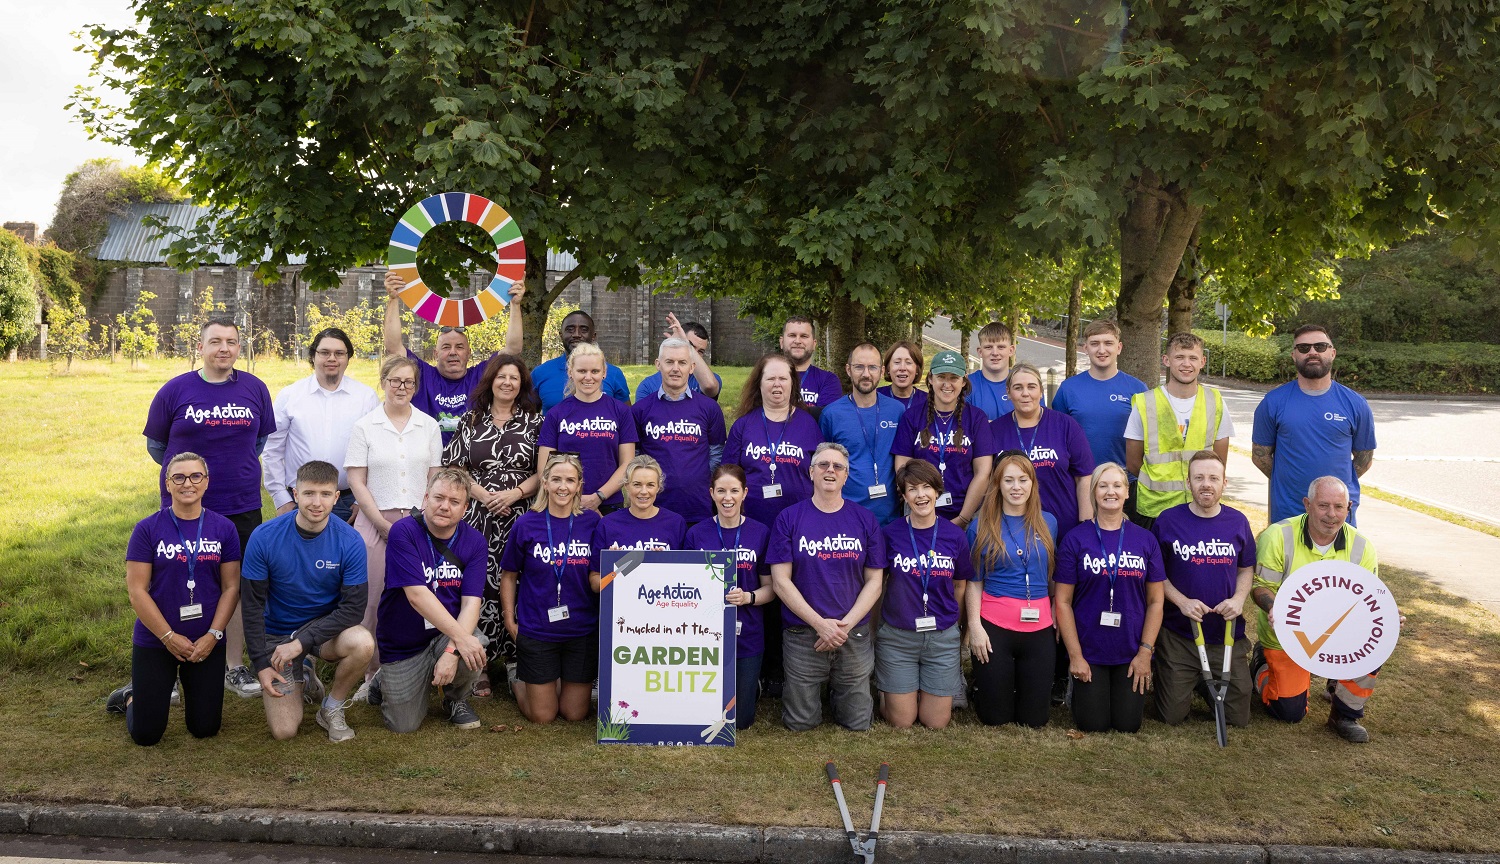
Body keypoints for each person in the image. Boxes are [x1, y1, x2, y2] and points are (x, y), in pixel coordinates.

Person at [143, 318, 275, 700]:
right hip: (184, 508)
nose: (224, 348)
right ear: (200, 347)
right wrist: (188, 484)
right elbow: (158, 448)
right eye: (215, 341)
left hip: (240, 506)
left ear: (238, 348)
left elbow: (260, 440)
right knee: (173, 580)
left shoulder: (254, 388)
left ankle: (232, 666)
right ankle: (167, 667)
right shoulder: (176, 390)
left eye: (231, 342)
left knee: (235, 586)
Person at [107, 453, 242, 746]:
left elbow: (231, 587)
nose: (187, 483)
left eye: (196, 476)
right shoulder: (148, 529)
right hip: (157, 639)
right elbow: (137, 591)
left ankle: (167, 690)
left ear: (206, 483)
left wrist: (214, 635)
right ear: (167, 484)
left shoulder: (224, 528)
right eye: (178, 477)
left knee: (204, 728)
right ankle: (132, 695)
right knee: (146, 735)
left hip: (206, 640)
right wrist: (168, 636)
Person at [241, 460, 375, 742]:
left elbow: (353, 609)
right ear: (295, 493)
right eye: (309, 493)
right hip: (277, 635)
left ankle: (332, 707)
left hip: (324, 631)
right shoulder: (264, 537)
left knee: (362, 642)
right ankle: (302, 671)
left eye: (325, 494)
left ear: (336, 497)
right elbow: (252, 606)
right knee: (285, 731)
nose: (317, 502)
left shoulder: (349, 540)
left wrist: (301, 642)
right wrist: (261, 665)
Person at [1249, 476, 1389, 743]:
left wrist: (1388, 617)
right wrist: (1273, 606)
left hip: (1337, 635)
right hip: (1288, 639)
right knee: (1289, 712)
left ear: (1349, 508)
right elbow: (1261, 587)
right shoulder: (1277, 536)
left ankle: (1344, 713)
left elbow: (1369, 602)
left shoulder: (1362, 547)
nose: (1331, 515)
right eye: (1323, 505)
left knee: (1377, 641)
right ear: (1307, 504)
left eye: (1339, 507)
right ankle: (1260, 665)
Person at [767, 443, 888, 731]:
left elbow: (875, 581)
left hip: (852, 632)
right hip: (803, 632)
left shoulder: (865, 519)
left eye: (838, 467)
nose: (830, 470)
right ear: (811, 472)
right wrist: (821, 625)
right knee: (800, 723)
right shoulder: (788, 518)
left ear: (847, 476)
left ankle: (840, 694)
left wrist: (843, 626)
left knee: (858, 722)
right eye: (823, 465)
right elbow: (780, 581)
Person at [442, 352, 543, 696]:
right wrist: (485, 496)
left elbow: (543, 473)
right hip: (478, 514)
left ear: (522, 384)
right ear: (491, 381)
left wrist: (514, 494)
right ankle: (479, 662)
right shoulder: (470, 420)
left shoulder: (535, 422)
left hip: (520, 514)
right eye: (501, 376)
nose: (507, 382)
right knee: (479, 584)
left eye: (514, 378)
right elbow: (456, 467)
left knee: (520, 582)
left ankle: (517, 658)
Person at [724, 352, 824, 697]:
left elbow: (819, 473)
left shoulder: (809, 423)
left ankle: (787, 671)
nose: (777, 384)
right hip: (752, 526)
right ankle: (759, 671)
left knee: (792, 594)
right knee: (759, 595)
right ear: (759, 383)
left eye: (784, 378)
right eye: (771, 378)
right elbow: (730, 474)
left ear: (793, 384)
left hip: (796, 526)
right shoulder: (744, 425)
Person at [346, 354, 443, 685]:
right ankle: (370, 674)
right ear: (383, 382)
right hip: (375, 524)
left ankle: (416, 672)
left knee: (420, 598)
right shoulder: (364, 426)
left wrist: (421, 522)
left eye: (408, 382)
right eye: (395, 381)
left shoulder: (429, 426)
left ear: (415, 387)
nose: (401, 387)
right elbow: (357, 481)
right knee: (371, 601)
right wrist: (381, 523)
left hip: (419, 524)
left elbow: (435, 479)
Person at [370, 467, 490, 733]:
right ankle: (383, 681)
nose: (445, 506)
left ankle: (456, 698)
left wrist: (453, 649)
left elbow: (472, 603)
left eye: (454, 501)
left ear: (465, 508)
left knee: (476, 642)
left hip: (443, 636)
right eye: (439, 498)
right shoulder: (404, 532)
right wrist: (460, 640)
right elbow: (416, 596)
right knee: (404, 725)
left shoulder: (475, 542)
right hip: (403, 641)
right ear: (426, 498)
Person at [1055, 462, 1166, 734]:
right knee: (1093, 724)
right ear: (1093, 492)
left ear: (1127, 492)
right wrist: (1075, 656)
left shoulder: (1145, 540)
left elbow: (1156, 602)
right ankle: (1076, 688)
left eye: (1117, 485)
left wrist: (1144, 652)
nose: (1110, 492)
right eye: (1103, 486)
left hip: (1130, 650)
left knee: (1128, 725)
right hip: (1090, 649)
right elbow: (1063, 602)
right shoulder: (1075, 539)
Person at [1149, 450, 1255, 728]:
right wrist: (1182, 602)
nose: (1206, 484)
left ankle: (1207, 681)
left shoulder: (1238, 522)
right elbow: (1155, 574)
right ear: (1188, 483)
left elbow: (1246, 567)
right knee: (1171, 716)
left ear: (1224, 483)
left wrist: (1239, 598)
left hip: (1225, 634)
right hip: (1180, 635)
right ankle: (1187, 678)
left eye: (1212, 478)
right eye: (1199, 478)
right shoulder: (1168, 520)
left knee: (1238, 719)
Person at [500, 453, 602, 724]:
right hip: (537, 629)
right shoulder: (526, 523)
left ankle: (550, 681)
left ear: (580, 485)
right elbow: (509, 575)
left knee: (574, 713)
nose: (563, 486)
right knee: (543, 715)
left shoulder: (592, 523)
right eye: (556, 479)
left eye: (570, 480)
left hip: (581, 630)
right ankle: (516, 680)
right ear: (544, 482)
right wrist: (509, 619)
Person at [876, 460, 974, 729]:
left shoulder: (955, 536)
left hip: (941, 637)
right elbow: (878, 584)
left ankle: (917, 688)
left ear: (937, 491)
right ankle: (892, 690)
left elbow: (960, 586)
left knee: (936, 722)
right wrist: (875, 629)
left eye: (926, 487)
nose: (920, 495)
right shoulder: (889, 534)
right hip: (898, 636)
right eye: (912, 489)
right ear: (904, 496)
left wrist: (956, 625)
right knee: (902, 721)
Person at [965, 453, 1059, 728]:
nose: (1016, 487)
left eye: (1022, 479)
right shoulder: (980, 525)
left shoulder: (1049, 522)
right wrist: (975, 626)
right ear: (998, 484)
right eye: (1009, 480)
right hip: (995, 626)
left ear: (1032, 484)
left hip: (1039, 625)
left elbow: (1052, 573)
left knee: (1035, 720)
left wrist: (1056, 611)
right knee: (995, 718)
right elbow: (974, 580)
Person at [1251, 324, 1377, 525]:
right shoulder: (1273, 402)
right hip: (1288, 514)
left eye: (1320, 346)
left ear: (1332, 352)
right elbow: (1260, 456)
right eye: (1303, 348)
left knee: (1337, 559)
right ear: (1294, 355)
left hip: (1337, 518)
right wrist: (1289, 482)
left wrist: (1330, 491)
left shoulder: (1355, 404)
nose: (1312, 352)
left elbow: (1365, 458)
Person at [382, 272, 524, 442]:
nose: (453, 352)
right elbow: (393, 347)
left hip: (469, 463)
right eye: (446, 347)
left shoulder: (481, 374)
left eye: (459, 347)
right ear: (435, 354)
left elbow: (513, 349)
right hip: (430, 461)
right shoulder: (422, 374)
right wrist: (393, 300)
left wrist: (515, 305)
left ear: (469, 353)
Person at [684, 465, 773, 729]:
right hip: (705, 634)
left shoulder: (760, 532)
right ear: (711, 493)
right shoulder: (696, 534)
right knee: (705, 715)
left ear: (744, 493)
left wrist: (748, 597)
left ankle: (750, 684)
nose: (728, 498)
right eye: (721, 491)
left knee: (740, 721)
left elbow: (771, 587)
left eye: (734, 490)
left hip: (747, 632)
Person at [262, 327, 379, 524]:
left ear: (348, 358)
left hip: (348, 501)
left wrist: (363, 500)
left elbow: (376, 453)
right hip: (299, 500)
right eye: (324, 352)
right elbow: (272, 449)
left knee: (346, 555)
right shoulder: (290, 396)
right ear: (313, 356)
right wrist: (280, 498)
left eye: (339, 353)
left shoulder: (366, 398)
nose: (331, 358)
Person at [1125, 333, 1232, 527]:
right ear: (1166, 360)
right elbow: (1133, 462)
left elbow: (1220, 460)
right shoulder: (1145, 402)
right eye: (1179, 357)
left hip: (1200, 506)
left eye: (1193, 358)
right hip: (1154, 509)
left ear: (1202, 361)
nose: (1186, 364)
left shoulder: (1215, 401)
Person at [991, 363, 1097, 542]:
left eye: (1031, 387)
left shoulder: (1066, 425)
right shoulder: (994, 430)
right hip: (1011, 534)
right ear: (1008, 393)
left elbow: (1084, 477)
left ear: (1041, 391)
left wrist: (1084, 526)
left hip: (1064, 530)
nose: (1025, 393)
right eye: (1018, 388)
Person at [892, 350, 995, 527]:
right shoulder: (912, 416)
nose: (947, 384)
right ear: (931, 379)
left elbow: (983, 473)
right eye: (941, 377)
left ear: (963, 381)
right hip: (919, 512)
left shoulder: (977, 418)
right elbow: (903, 468)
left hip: (966, 514)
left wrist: (963, 518)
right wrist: (921, 511)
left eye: (953, 378)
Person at [632, 337, 727, 527]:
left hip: (697, 507)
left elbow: (716, 455)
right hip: (652, 507)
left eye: (682, 362)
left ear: (692, 367)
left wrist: (695, 479)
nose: (676, 368)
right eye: (669, 362)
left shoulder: (709, 408)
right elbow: (634, 456)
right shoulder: (640, 410)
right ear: (658, 365)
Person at [537, 342, 638, 513]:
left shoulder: (620, 411)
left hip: (608, 503)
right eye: (582, 371)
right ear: (571, 372)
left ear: (604, 373)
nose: (588, 377)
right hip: (565, 504)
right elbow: (544, 468)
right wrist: (571, 498)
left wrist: (598, 497)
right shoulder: (556, 414)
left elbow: (627, 463)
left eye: (595, 371)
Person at [1050, 320, 1148, 481]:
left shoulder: (1138, 389)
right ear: (1086, 348)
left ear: (1119, 347)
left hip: (1125, 482)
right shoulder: (1068, 389)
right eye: (1095, 343)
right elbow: (1058, 438)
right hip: (1081, 481)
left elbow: (1147, 440)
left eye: (1108, 343)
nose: (1102, 350)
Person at [819, 343, 905, 525]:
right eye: (859, 367)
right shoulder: (832, 414)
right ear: (848, 370)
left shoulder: (897, 411)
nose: (866, 374)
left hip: (890, 518)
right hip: (847, 518)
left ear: (882, 371)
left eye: (872, 367)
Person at [588, 455, 688, 588]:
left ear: (658, 487)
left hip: (661, 604)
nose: (644, 491)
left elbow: (687, 575)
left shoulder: (676, 523)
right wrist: (614, 570)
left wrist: (664, 564)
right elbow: (595, 584)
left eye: (650, 485)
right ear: (626, 486)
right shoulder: (608, 524)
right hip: (622, 606)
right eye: (637, 484)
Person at [531, 309, 632, 412]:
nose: (576, 334)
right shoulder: (540, 373)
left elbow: (627, 418)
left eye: (584, 330)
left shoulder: (614, 374)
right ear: (561, 335)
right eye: (570, 329)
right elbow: (529, 419)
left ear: (593, 336)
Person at [634, 316, 723, 400]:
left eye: (700, 351)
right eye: (691, 345)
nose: (694, 354)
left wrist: (686, 344)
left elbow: (710, 386)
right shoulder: (648, 386)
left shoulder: (710, 379)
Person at [779, 316, 843, 409]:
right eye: (792, 335)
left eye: (804, 336)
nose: (797, 341)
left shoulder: (828, 380)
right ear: (781, 342)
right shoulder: (766, 377)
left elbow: (825, 418)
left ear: (814, 344)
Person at [967, 322, 1022, 420]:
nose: (995, 353)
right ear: (980, 352)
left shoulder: (1025, 384)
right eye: (988, 347)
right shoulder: (967, 386)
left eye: (1001, 347)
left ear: (1011, 350)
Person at [878, 340, 927, 414]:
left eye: (908, 363)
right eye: (897, 362)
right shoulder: (875, 398)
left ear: (917, 369)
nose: (902, 368)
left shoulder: (928, 402)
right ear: (888, 368)